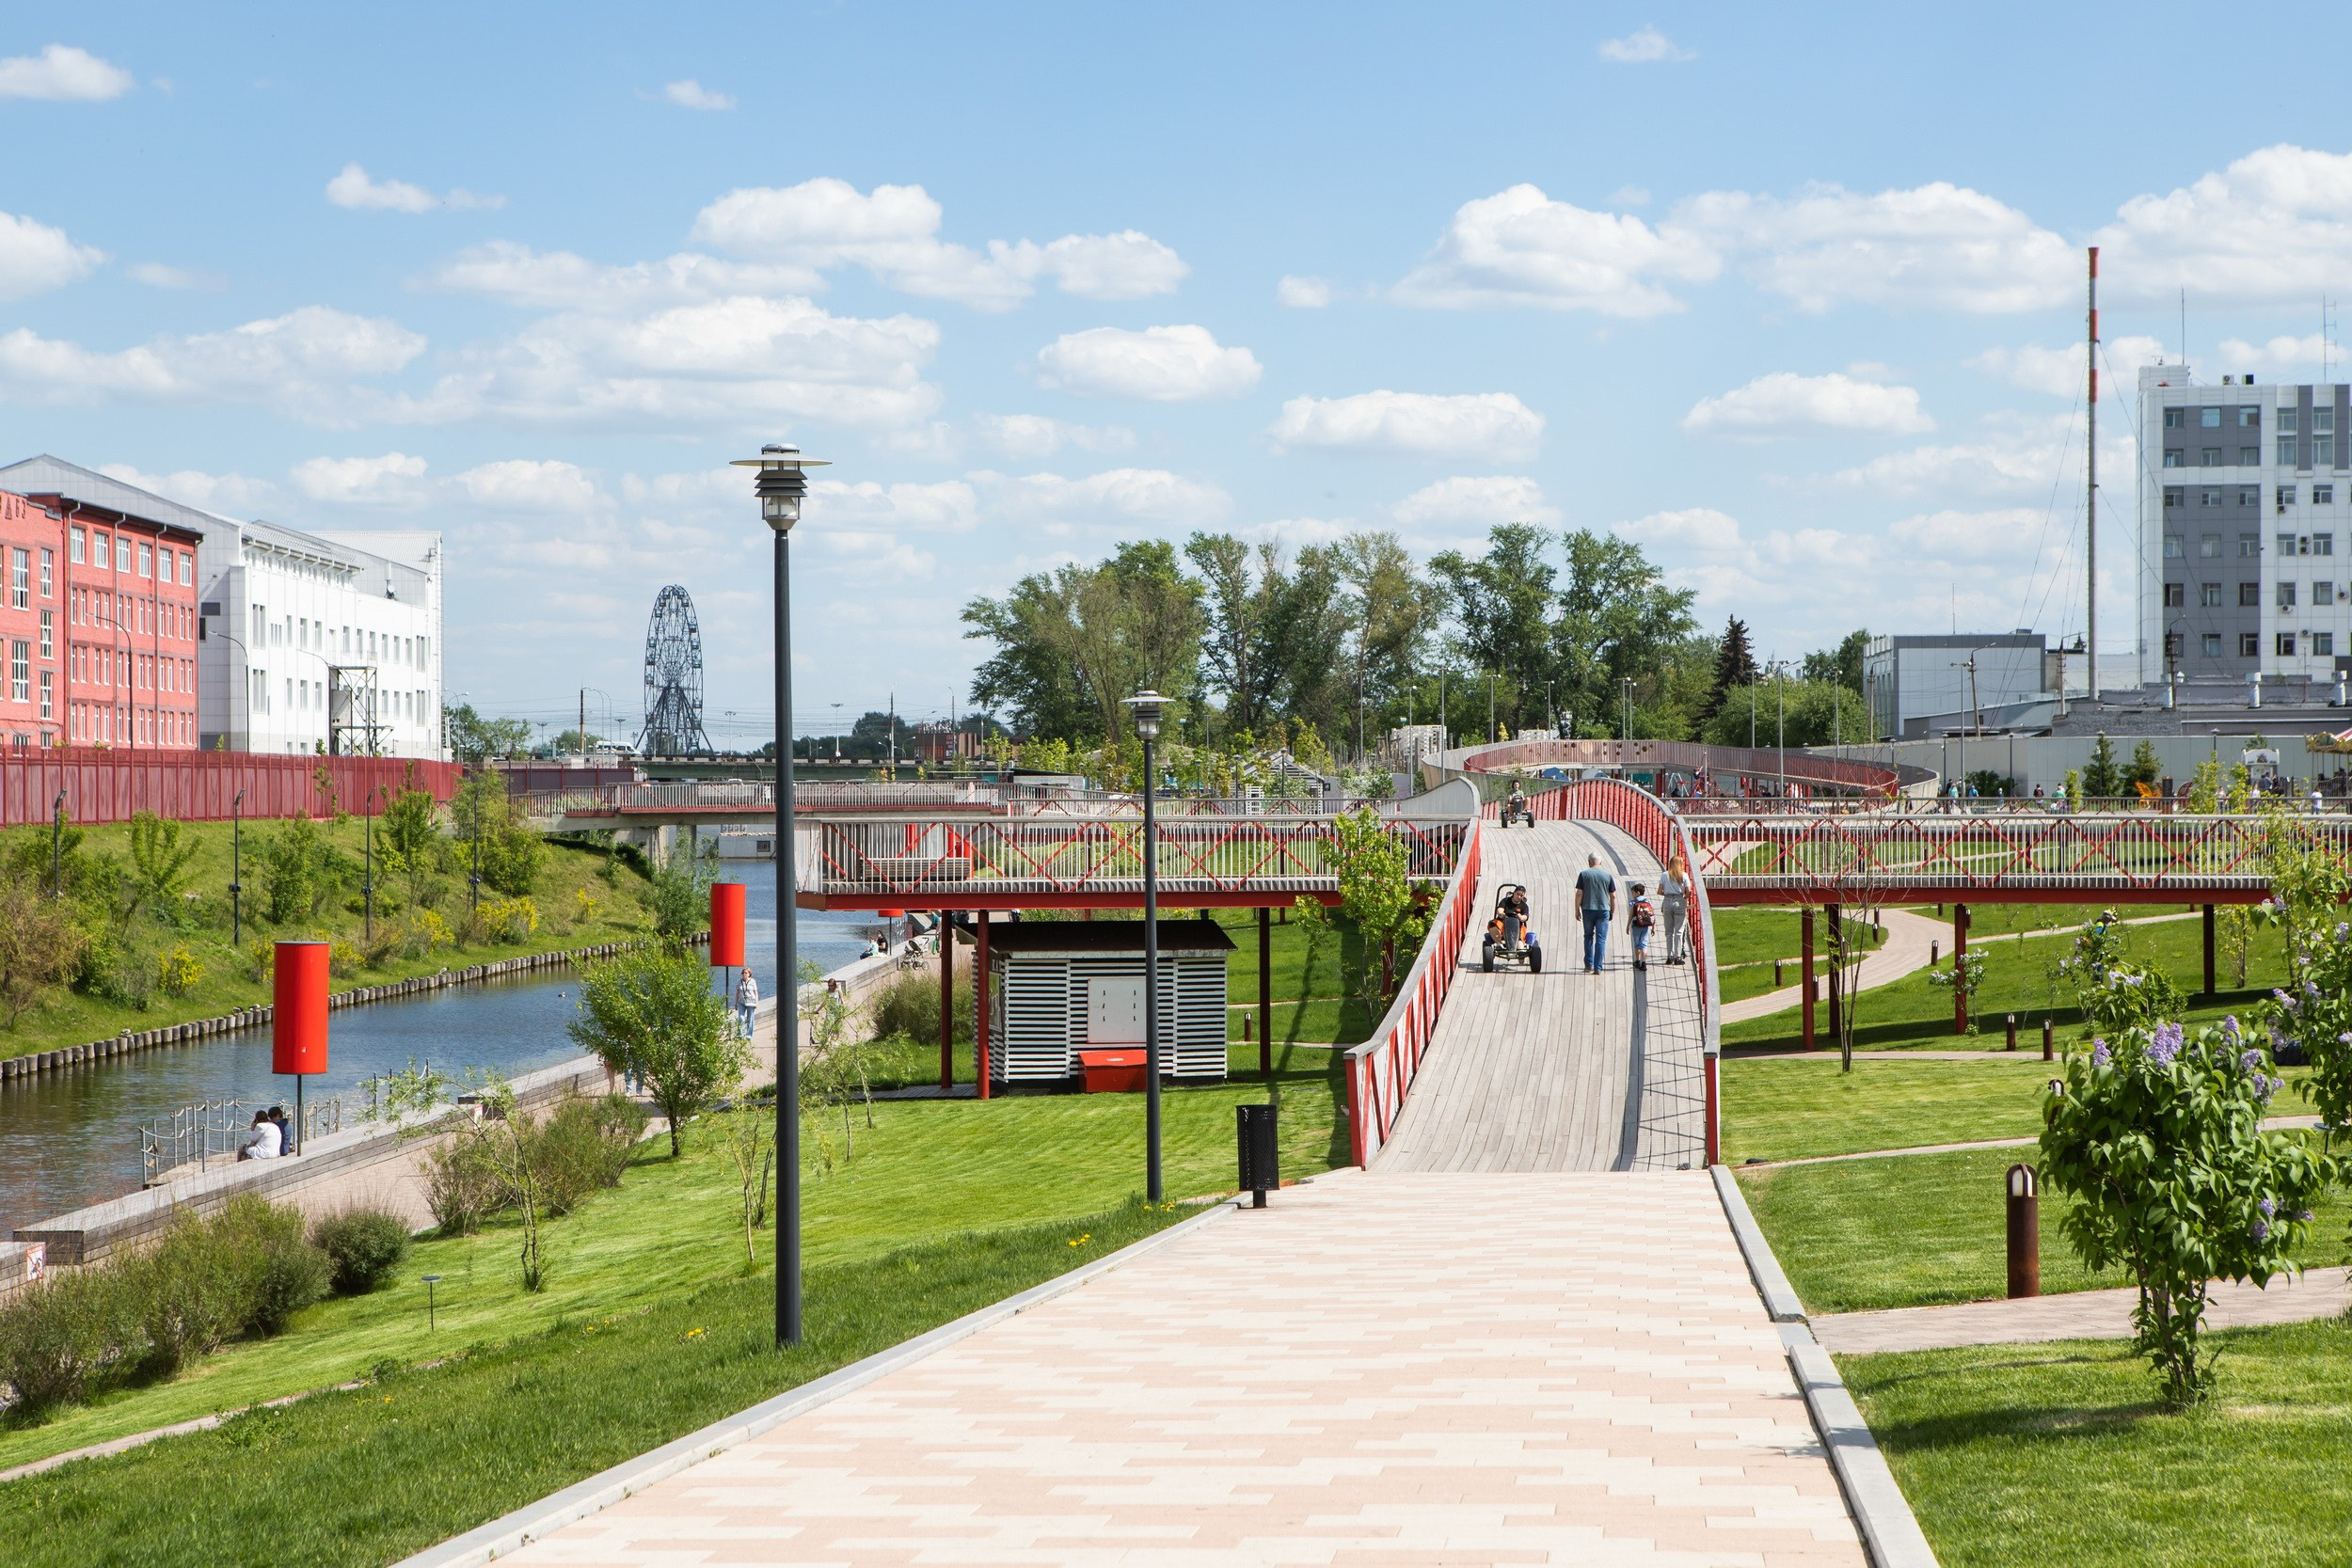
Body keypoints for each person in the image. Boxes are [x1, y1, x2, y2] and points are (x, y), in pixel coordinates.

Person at [1573, 853, 1616, 974]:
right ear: (1600, 862)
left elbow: (1579, 893)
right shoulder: (1608, 876)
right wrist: (1612, 911)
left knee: (1588, 936)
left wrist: (1576, 909)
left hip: (1587, 909)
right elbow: (1613, 896)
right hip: (1603, 910)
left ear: (1589, 862)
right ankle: (1598, 967)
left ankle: (1588, 964)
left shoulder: (1584, 874)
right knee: (1601, 939)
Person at [1660, 853, 1691, 965]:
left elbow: (1659, 891)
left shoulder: (1664, 875)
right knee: (1679, 931)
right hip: (1679, 901)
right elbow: (1689, 892)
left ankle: (1669, 957)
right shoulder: (1684, 875)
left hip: (1667, 901)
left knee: (1668, 932)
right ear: (1679, 864)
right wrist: (1684, 898)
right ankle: (1678, 957)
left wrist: (1668, 895)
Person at [1628, 882, 1655, 971]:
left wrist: (1627, 926)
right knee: (1644, 944)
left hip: (1636, 925)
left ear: (1638, 892)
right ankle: (1644, 963)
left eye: (1633, 893)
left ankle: (1637, 961)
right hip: (1645, 925)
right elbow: (1651, 915)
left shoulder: (1633, 902)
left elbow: (1631, 915)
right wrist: (1653, 927)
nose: (1632, 895)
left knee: (1637, 944)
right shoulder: (1648, 902)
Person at [734, 967, 760, 1040]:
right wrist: (735, 1003)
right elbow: (737, 992)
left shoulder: (753, 981)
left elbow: (756, 992)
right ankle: (740, 1035)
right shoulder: (739, 982)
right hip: (741, 1002)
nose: (744, 974)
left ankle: (748, 1035)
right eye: (743, 973)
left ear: (749, 974)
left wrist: (757, 1002)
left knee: (750, 1019)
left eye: (746, 973)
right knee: (741, 1018)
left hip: (751, 1002)